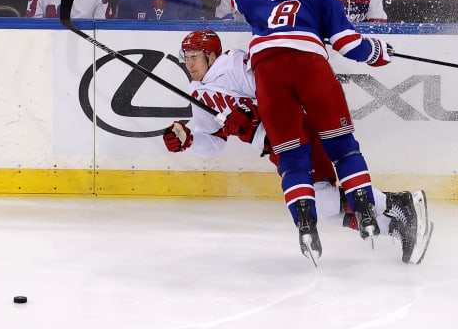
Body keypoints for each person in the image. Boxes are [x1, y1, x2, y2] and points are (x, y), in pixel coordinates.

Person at [162, 30, 429, 263]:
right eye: (185, 57)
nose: (189, 63)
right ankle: (394, 224)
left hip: (295, 134)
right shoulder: (198, 91)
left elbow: (277, 93)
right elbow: (213, 144)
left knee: (321, 200)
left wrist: (254, 115)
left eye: (194, 56)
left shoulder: (233, 67)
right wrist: (188, 140)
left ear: (211, 55)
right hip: (276, 149)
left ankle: (398, 202)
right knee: (324, 209)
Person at [229, 0, 432, 264]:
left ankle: (304, 222)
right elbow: (350, 45)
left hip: (267, 74)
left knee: (291, 157)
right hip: (310, 65)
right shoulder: (323, 0)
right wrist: (380, 52)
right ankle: (363, 207)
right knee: (341, 144)